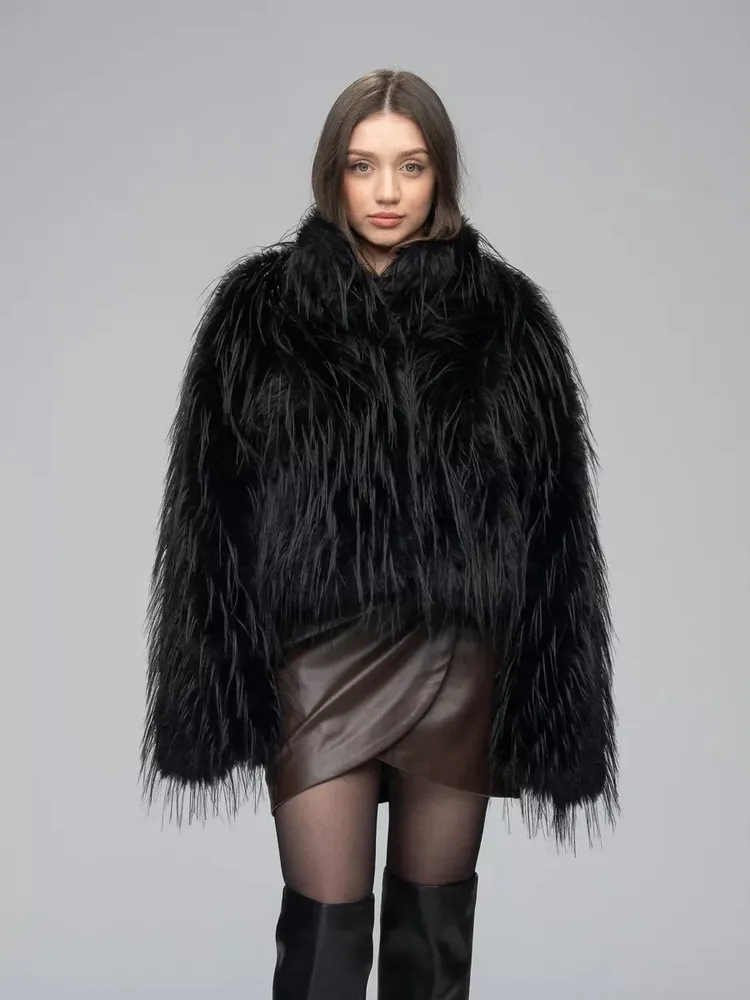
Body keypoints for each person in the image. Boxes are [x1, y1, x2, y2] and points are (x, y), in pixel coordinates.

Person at [139, 68, 620, 999]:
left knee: (432, 948)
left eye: (412, 165)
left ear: (442, 175)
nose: (388, 191)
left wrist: (548, 693)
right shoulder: (258, 312)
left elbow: (556, 523)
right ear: (333, 172)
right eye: (364, 165)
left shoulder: (506, 319)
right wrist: (218, 677)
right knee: (322, 944)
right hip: (314, 663)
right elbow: (207, 510)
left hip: (456, 662)